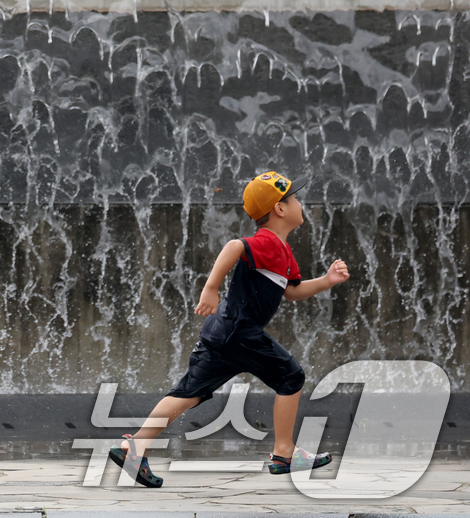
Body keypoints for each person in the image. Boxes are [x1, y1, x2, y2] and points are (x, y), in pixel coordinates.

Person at [111, 171, 352, 487]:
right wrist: (210, 288)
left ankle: (135, 446)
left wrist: (326, 281)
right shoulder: (267, 241)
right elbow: (234, 246)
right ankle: (283, 453)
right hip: (240, 330)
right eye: (293, 199)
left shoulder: (283, 251)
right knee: (291, 376)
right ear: (280, 209)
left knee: (188, 393)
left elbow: (291, 291)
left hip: (222, 331)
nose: (299, 203)